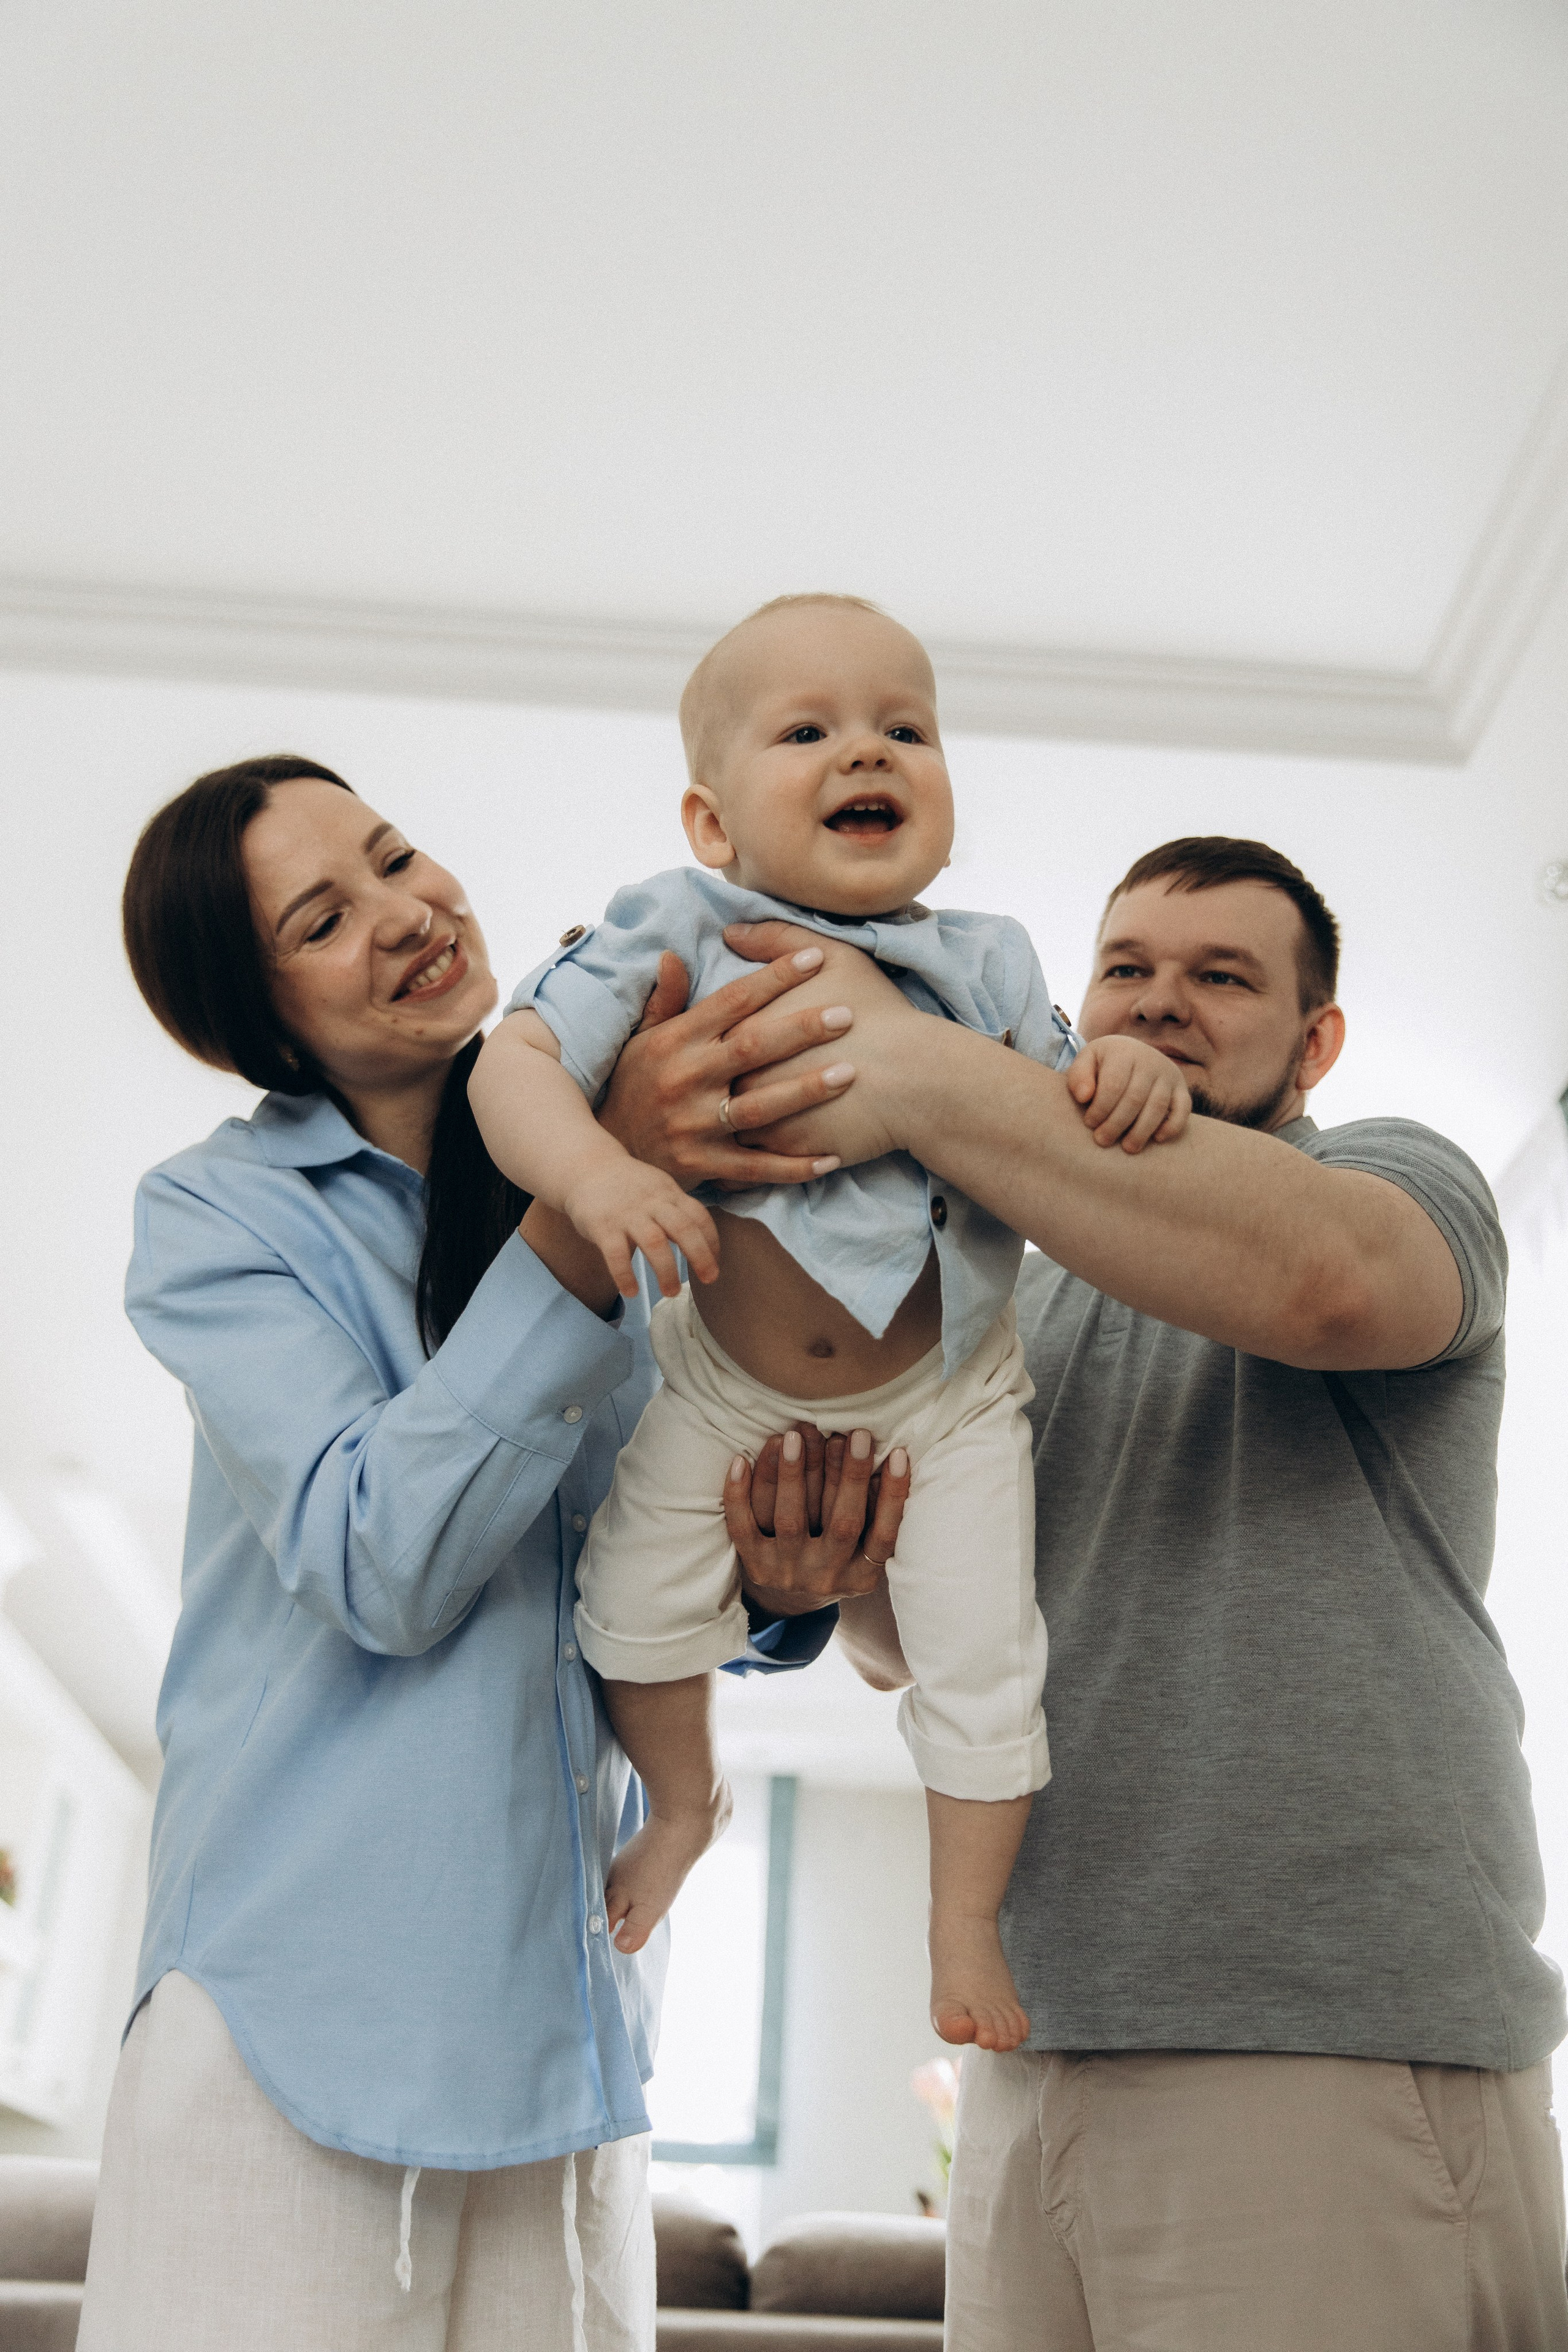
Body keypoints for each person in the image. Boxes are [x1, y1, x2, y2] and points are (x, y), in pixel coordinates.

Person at [80, 753, 905, 2352]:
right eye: (326, 917)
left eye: (395, 858)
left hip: (566, 2032)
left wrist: (776, 1601)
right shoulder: (220, 1222)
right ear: (254, 1015)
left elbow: (630, 1566)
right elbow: (379, 1559)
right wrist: (574, 1210)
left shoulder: (635, 1182)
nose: (404, 914)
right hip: (290, 2036)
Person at [712, 835, 1567, 2350]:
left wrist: (900, 1063)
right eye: (1126, 968)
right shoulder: (1012, 1290)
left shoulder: (1396, 1175)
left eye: (1219, 976)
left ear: (1314, 1043)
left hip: (1321, 2041)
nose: (1160, 1002)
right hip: (1035, 2048)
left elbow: (1329, 1288)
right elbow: (917, 1643)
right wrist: (832, 1583)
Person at [470, 593, 1188, 2052]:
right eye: (808, 731)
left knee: (988, 1662)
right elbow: (514, 1065)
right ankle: (683, 1804)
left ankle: (960, 1922)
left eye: (903, 729)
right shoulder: (677, 923)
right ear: (711, 818)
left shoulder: (990, 962)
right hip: (721, 1383)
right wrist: (602, 1171)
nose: (867, 750)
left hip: (949, 1395)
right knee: (628, 1605)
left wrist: (1129, 1084)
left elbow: (1066, 1127)